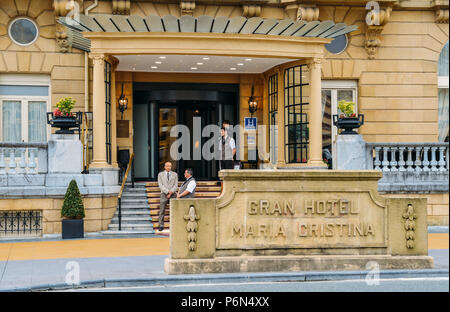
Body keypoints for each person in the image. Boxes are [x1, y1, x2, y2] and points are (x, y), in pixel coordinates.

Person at [157, 161, 178, 231]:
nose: (169, 167)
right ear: (165, 167)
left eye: (170, 166)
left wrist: (171, 192)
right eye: (167, 166)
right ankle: (161, 225)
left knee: (174, 210)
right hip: (163, 194)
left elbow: (176, 185)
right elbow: (160, 185)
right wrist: (167, 192)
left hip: (173, 194)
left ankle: (174, 225)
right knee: (162, 210)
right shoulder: (160, 174)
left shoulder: (175, 174)